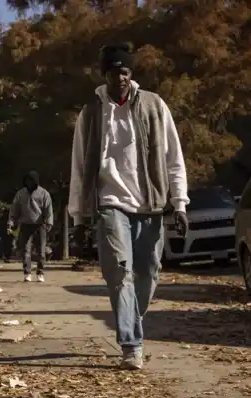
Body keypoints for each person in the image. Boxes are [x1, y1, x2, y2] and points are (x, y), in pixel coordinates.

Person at [69, 44, 189, 370]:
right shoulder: (91, 112)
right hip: (110, 203)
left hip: (150, 204)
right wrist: (78, 216)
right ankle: (131, 344)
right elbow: (79, 166)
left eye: (125, 71)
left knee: (148, 273)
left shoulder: (153, 105)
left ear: (131, 74)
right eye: (113, 71)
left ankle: (131, 318)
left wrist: (179, 203)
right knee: (120, 272)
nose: (120, 77)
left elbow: (172, 157)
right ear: (104, 74)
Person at [9, 170, 54, 282]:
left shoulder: (44, 193)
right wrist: (11, 223)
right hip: (25, 224)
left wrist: (49, 222)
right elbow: (14, 210)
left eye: (31, 181)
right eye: (27, 181)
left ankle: (40, 272)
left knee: (41, 250)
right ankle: (27, 273)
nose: (29, 183)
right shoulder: (21, 194)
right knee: (26, 250)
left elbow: (48, 209)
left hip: (40, 225)